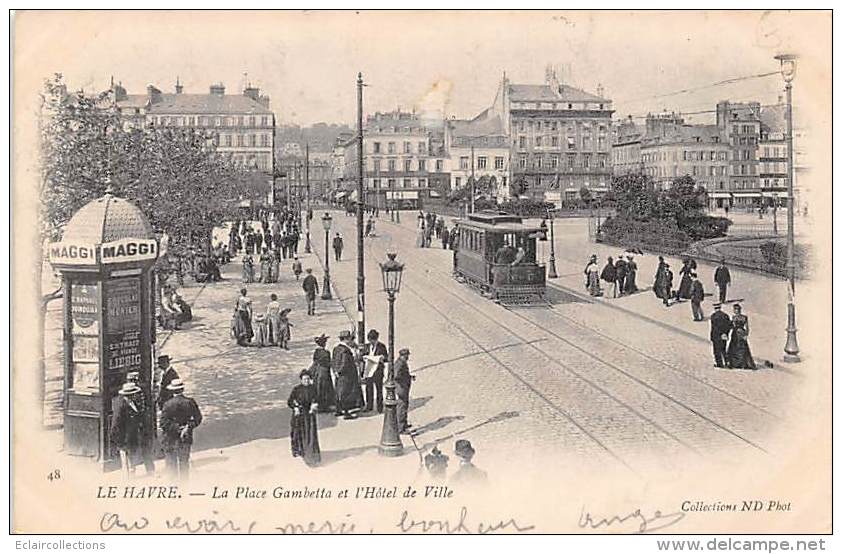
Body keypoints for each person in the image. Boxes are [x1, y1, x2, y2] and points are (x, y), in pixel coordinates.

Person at [159, 379, 202, 480]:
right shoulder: (190, 402)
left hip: (170, 440)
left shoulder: (167, 404)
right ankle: (184, 488)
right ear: (182, 389)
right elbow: (198, 418)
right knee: (184, 464)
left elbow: (163, 423)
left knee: (171, 465)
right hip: (185, 439)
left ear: (172, 391)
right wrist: (187, 427)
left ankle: (174, 489)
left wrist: (178, 429)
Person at [110, 381, 148, 479]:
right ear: (129, 395)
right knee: (126, 461)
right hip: (124, 438)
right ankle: (128, 480)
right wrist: (117, 439)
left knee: (132, 459)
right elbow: (116, 423)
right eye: (134, 394)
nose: (136, 395)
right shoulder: (121, 405)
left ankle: (131, 476)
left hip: (132, 436)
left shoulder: (132, 402)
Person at [287, 370, 321, 467]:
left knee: (310, 435)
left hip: (309, 415)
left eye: (308, 379)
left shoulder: (313, 389)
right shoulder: (296, 389)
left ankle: (311, 456)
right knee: (298, 433)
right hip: (299, 415)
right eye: (304, 379)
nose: (306, 381)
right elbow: (290, 401)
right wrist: (295, 407)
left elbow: (317, 399)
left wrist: (315, 405)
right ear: (301, 380)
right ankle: (299, 450)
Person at [332, 330, 364, 419]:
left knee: (339, 391)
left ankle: (338, 410)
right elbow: (345, 363)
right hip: (347, 375)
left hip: (338, 374)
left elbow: (333, 361)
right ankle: (346, 412)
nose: (350, 340)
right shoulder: (345, 350)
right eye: (349, 338)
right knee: (347, 392)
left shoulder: (336, 348)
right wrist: (340, 371)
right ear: (346, 339)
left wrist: (335, 371)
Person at [360, 329, 387, 413]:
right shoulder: (366, 346)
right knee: (369, 389)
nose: (372, 342)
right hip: (368, 371)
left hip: (378, 371)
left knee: (379, 389)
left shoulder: (381, 346)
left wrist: (382, 358)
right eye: (370, 340)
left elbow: (386, 357)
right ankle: (369, 406)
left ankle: (380, 407)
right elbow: (361, 357)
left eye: (374, 340)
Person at [310, 334, 336, 413]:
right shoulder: (326, 352)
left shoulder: (316, 352)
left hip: (317, 372)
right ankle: (325, 406)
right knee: (325, 389)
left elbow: (315, 361)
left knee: (319, 388)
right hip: (324, 372)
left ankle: (319, 405)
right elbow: (328, 363)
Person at [727, 304, 757, 370]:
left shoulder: (744, 317)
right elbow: (732, 326)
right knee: (734, 347)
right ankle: (734, 363)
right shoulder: (733, 317)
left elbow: (747, 327)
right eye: (735, 309)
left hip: (740, 334)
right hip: (735, 333)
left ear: (739, 310)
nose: (735, 311)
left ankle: (742, 363)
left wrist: (746, 335)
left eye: (736, 309)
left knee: (742, 348)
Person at [394, 348, 415, 433]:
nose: (408, 357)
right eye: (407, 355)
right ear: (403, 355)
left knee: (405, 405)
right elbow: (396, 375)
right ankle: (401, 428)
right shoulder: (400, 364)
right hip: (401, 388)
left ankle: (404, 424)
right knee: (402, 406)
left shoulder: (401, 362)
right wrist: (404, 380)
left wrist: (410, 377)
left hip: (403, 387)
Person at [709, 303, 732, 368]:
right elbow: (729, 326)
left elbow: (713, 327)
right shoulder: (725, 315)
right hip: (723, 336)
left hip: (716, 336)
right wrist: (725, 333)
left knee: (716, 351)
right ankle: (727, 363)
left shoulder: (713, 316)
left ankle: (719, 364)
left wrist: (712, 336)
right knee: (723, 350)